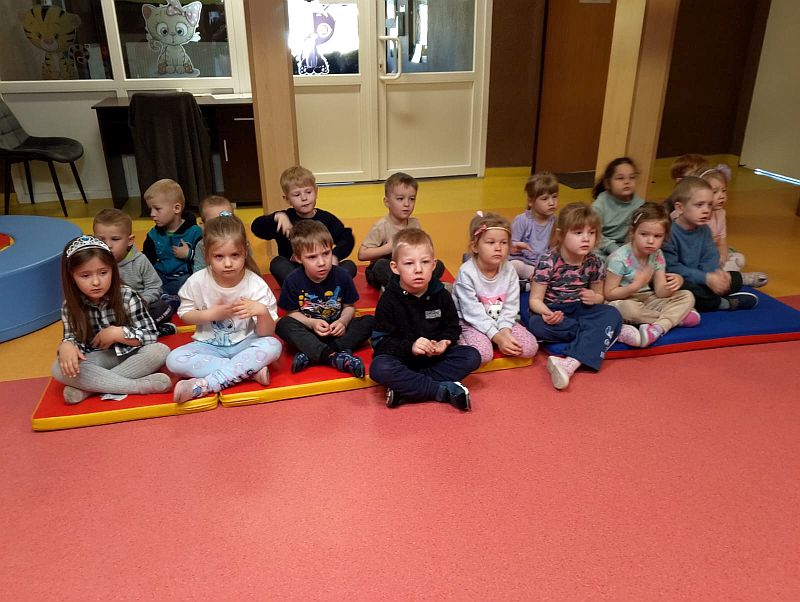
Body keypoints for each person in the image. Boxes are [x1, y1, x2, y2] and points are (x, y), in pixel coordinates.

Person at [167, 214, 283, 402]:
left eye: (235, 255)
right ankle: (247, 371)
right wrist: (210, 314)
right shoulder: (197, 281)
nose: (228, 263)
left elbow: (266, 333)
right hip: (208, 346)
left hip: (246, 344)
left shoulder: (256, 284)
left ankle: (205, 385)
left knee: (273, 346)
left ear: (245, 252)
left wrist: (261, 311)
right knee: (173, 360)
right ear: (207, 255)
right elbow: (185, 314)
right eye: (219, 256)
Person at [527, 203, 637, 390]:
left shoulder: (595, 262)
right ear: (561, 235)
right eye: (578, 233)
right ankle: (609, 332)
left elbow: (600, 296)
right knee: (536, 325)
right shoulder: (548, 260)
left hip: (581, 310)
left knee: (612, 313)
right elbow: (535, 300)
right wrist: (547, 314)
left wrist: (595, 297)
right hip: (555, 311)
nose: (586, 238)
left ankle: (570, 363)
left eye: (591, 233)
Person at [369, 228, 482, 411]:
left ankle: (408, 388)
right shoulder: (388, 300)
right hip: (402, 360)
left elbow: (452, 327)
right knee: (380, 368)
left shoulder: (442, 295)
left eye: (425, 262)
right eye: (409, 263)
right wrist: (411, 347)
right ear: (395, 267)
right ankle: (440, 390)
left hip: (434, 361)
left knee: (471, 356)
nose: (418, 269)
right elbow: (380, 343)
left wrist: (445, 342)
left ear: (433, 265)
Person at [51, 235, 171, 405]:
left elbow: (151, 336)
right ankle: (137, 386)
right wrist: (67, 345)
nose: (96, 282)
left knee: (160, 351)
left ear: (113, 270)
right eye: (85, 276)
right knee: (58, 368)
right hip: (97, 359)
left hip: (131, 353)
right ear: (72, 277)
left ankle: (89, 389)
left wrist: (118, 333)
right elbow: (74, 340)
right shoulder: (69, 306)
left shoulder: (127, 295)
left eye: (103, 273)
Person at [276, 220, 375, 376]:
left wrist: (343, 322)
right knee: (283, 325)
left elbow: (349, 307)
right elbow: (292, 313)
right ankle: (334, 355)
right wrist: (311, 323)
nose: (321, 262)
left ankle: (314, 354)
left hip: (337, 331)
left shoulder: (342, 276)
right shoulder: (292, 280)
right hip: (310, 332)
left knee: (370, 321)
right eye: (312, 257)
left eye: (326, 253)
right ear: (298, 258)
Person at [604, 203, 698, 347]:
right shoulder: (619, 258)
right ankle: (675, 318)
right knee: (630, 310)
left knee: (687, 295)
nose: (650, 241)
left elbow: (660, 292)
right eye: (644, 234)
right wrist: (635, 286)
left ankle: (658, 327)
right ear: (633, 233)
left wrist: (675, 283)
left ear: (664, 237)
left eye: (657, 236)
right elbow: (609, 294)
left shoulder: (657, 254)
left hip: (648, 299)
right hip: (623, 300)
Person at [662, 177, 759, 312]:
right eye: (699, 205)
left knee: (734, 278)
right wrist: (706, 278)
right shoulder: (669, 233)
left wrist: (716, 275)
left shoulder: (705, 230)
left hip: (702, 278)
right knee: (688, 290)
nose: (706, 210)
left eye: (709, 205)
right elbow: (673, 268)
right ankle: (724, 303)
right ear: (680, 208)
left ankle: (712, 295)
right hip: (681, 280)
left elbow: (711, 256)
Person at [453, 212, 538, 365]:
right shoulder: (466, 272)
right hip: (470, 321)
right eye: (491, 242)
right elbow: (472, 313)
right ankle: (464, 340)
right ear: (475, 247)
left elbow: (511, 306)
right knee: (483, 355)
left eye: (503, 243)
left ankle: (494, 338)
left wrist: (505, 331)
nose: (498, 248)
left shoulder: (509, 269)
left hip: (500, 319)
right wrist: (497, 337)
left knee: (529, 348)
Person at [250, 165, 356, 285]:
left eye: (308, 192)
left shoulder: (326, 218)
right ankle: (304, 287)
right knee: (277, 263)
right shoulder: (284, 219)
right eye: (297, 195)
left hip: (323, 270)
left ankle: (323, 285)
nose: (304, 198)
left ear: (316, 191)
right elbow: (256, 227)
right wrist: (275, 217)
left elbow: (347, 238)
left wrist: (335, 256)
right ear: (287, 199)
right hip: (296, 273)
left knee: (349, 265)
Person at [93, 208, 176, 336]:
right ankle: (139, 331)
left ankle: (140, 330)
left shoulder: (140, 260)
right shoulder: (94, 263)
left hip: (139, 308)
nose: (108, 245)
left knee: (163, 307)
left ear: (129, 240)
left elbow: (155, 286)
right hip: (109, 312)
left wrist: (142, 301)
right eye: (101, 240)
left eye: (115, 239)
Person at [358, 171, 445, 289]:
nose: (407, 204)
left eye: (412, 199)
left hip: (409, 267)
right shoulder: (381, 226)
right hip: (388, 267)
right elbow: (362, 254)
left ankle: (411, 286)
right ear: (387, 202)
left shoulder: (415, 224)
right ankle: (402, 289)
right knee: (380, 266)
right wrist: (388, 248)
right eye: (400, 199)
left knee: (438, 265)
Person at [694, 167, 768, 286]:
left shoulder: (721, 213)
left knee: (739, 259)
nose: (721, 196)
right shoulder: (696, 216)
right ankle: (737, 279)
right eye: (715, 192)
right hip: (699, 260)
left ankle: (724, 277)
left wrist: (722, 256)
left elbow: (722, 241)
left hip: (714, 257)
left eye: (724, 191)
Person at [142, 178, 203, 295]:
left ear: (176, 208)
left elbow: (204, 260)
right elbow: (147, 260)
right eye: (150, 209)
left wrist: (189, 254)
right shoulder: (153, 234)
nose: (152, 214)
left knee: (188, 282)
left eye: (157, 209)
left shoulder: (195, 232)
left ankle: (166, 296)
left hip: (183, 276)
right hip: (161, 275)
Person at [591, 157, 646, 259]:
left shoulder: (640, 204)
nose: (627, 182)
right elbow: (595, 233)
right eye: (620, 178)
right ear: (608, 183)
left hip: (627, 248)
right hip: (602, 247)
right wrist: (614, 249)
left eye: (632, 177)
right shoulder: (600, 205)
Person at [509, 172, 558, 284]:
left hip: (545, 265)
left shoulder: (557, 222)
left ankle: (534, 281)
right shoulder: (522, 220)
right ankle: (535, 279)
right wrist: (516, 245)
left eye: (555, 197)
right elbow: (509, 246)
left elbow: (555, 249)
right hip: (524, 263)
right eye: (545, 199)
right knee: (514, 265)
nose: (552, 202)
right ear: (531, 202)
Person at [194, 195, 235, 273]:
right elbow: (198, 273)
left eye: (226, 221)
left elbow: (251, 268)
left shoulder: (240, 241)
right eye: (214, 223)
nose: (221, 226)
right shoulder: (202, 245)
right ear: (203, 225)